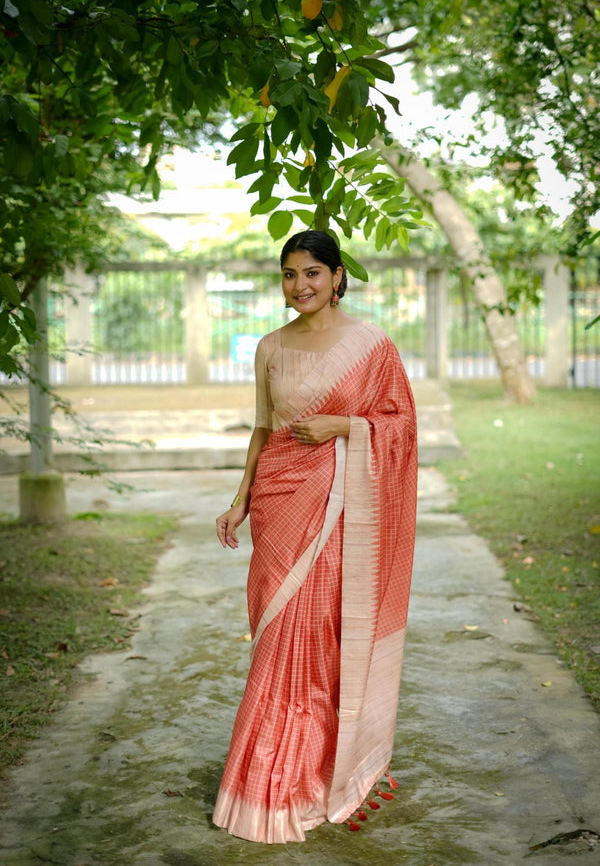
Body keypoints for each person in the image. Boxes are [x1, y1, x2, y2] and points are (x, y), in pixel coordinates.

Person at [213, 230, 418, 844]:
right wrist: (239, 499)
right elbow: (260, 429)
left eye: (312, 273)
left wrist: (346, 425)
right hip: (280, 502)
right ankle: (266, 773)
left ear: (335, 278)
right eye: (288, 274)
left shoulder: (371, 345)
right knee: (277, 631)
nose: (299, 285)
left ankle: (311, 770)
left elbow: (401, 423)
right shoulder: (270, 347)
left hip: (339, 508)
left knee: (320, 631)